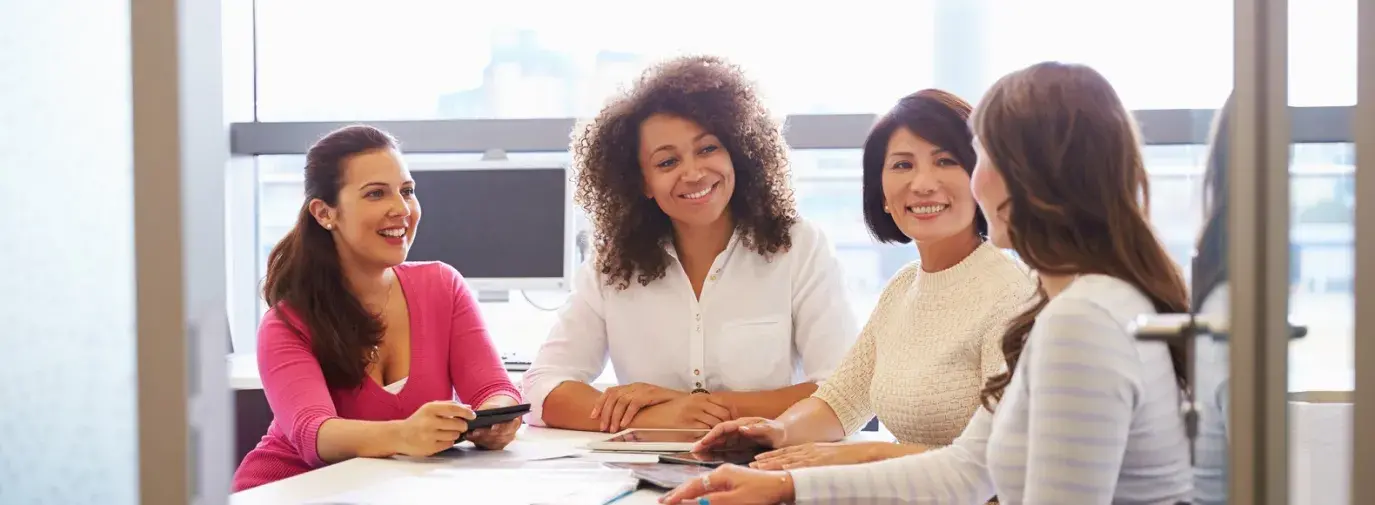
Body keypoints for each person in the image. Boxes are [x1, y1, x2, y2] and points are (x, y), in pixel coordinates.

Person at [661, 61, 1194, 505]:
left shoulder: (1080, 320)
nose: (955, 179)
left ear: (1035, 175)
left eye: (974, 156)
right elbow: (967, 470)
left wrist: (842, 461)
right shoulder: (1066, 308)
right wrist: (784, 486)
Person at [692, 89, 1037, 471]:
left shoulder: (1010, 293)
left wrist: (867, 453)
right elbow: (841, 401)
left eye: (946, 161)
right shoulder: (904, 287)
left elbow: (1004, 458)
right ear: (883, 195)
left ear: (981, 179)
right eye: (902, 165)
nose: (922, 183)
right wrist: (777, 431)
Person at [521, 55, 859, 433]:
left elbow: (843, 391)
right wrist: (653, 417)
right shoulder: (612, 265)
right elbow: (540, 388)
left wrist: (697, 408)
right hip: (644, 475)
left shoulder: (798, 247)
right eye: (667, 162)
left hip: (764, 471)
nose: (694, 172)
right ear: (643, 182)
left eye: (708, 149)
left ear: (737, 152)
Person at [232, 125, 522, 491]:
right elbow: (313, 434)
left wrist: (495, 419)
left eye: (407, 192)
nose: (401, 209)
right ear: (324, 213)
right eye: (375, 194)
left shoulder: (442, 286)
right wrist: (404, 435)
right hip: (287, 491)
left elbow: (493, 388)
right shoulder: (286, 323)